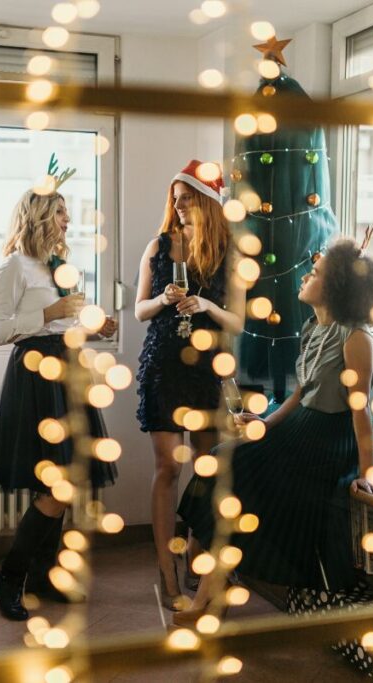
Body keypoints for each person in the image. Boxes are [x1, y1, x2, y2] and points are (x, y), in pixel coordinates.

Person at [174, 239, 373, 626]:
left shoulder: (356, 337)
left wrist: (366, 472)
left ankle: (209, 590)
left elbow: (360, 412)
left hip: (326, 440)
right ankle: (212, 586)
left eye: (317, 273)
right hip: (299, 426)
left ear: (336, 286)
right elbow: (301, 392)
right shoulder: (313, 328)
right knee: (222, 458)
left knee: (232, 466)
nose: (307, 275)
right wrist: (264, 424)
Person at [0, 185, 118, 621]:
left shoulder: (59, 268)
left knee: (65, 482)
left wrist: (93, 328)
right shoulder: (14, 267)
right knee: (56, 486)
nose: (67, 221)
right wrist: (48, 313)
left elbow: (67, 325)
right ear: (39, 215)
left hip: (68, 373)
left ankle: (41, 577)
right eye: (60, 212)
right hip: (37, 378)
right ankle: (10, 577)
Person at [134, 160, 244, 611]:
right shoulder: (158, 246)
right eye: (175, 200)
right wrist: (162, 299)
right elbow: (139, 310)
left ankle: (199, 556)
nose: (179, 208)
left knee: (205, 467)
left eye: (187, 200)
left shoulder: (228, 253)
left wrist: (207, 305)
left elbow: (236, 320)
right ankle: (166, 567)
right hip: (162, 365)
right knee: (168, 468)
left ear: (207, 201)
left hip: (204, 370)